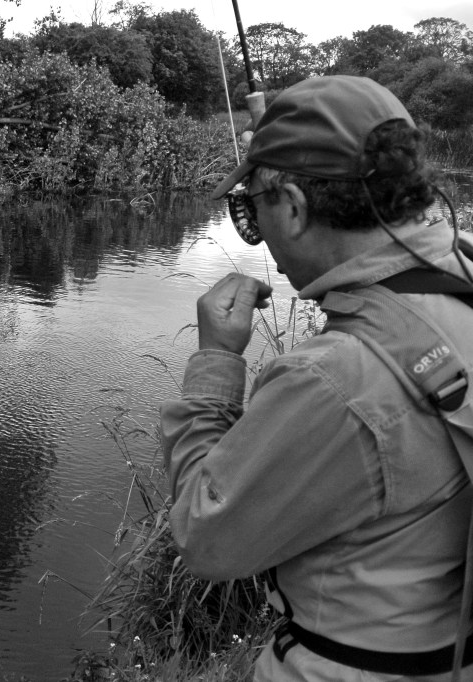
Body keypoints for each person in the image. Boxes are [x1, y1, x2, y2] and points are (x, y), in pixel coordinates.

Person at [160, 75, 473, 681]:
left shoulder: (335, 381)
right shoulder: (463, 270)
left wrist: (216, 361)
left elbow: (206, 536)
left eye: (253, 210)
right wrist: (290, 143)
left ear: (297, 209)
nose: (260, 234)